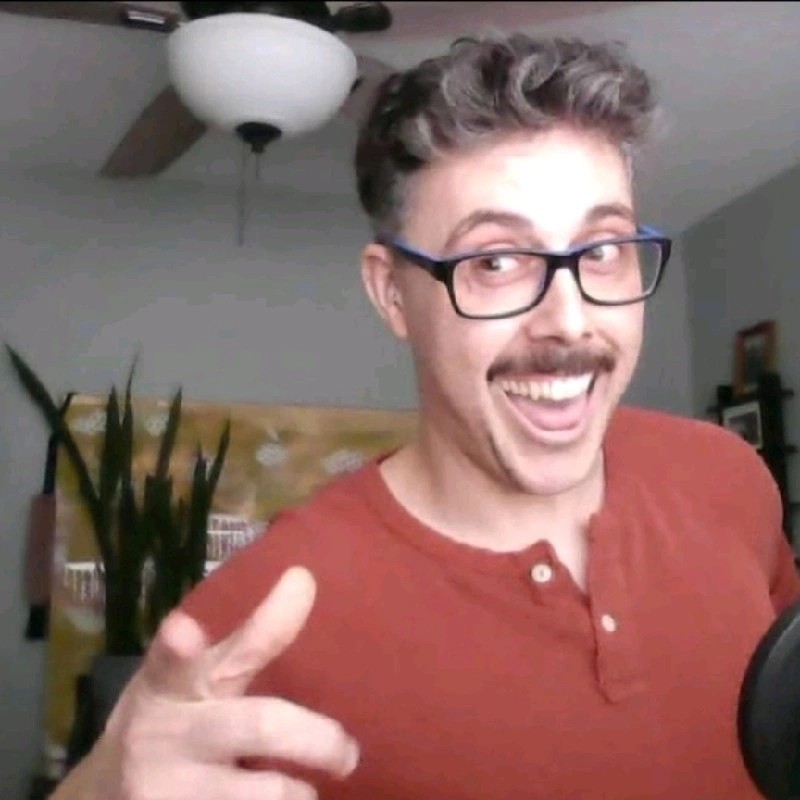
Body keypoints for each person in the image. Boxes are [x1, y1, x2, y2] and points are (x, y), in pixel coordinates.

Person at [52, 32, 799, 800]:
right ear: (392, 294)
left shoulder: (727, 475)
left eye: (603, 250)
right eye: (495, 261)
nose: (570, 323)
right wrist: (104, 787)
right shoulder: (268, 613)